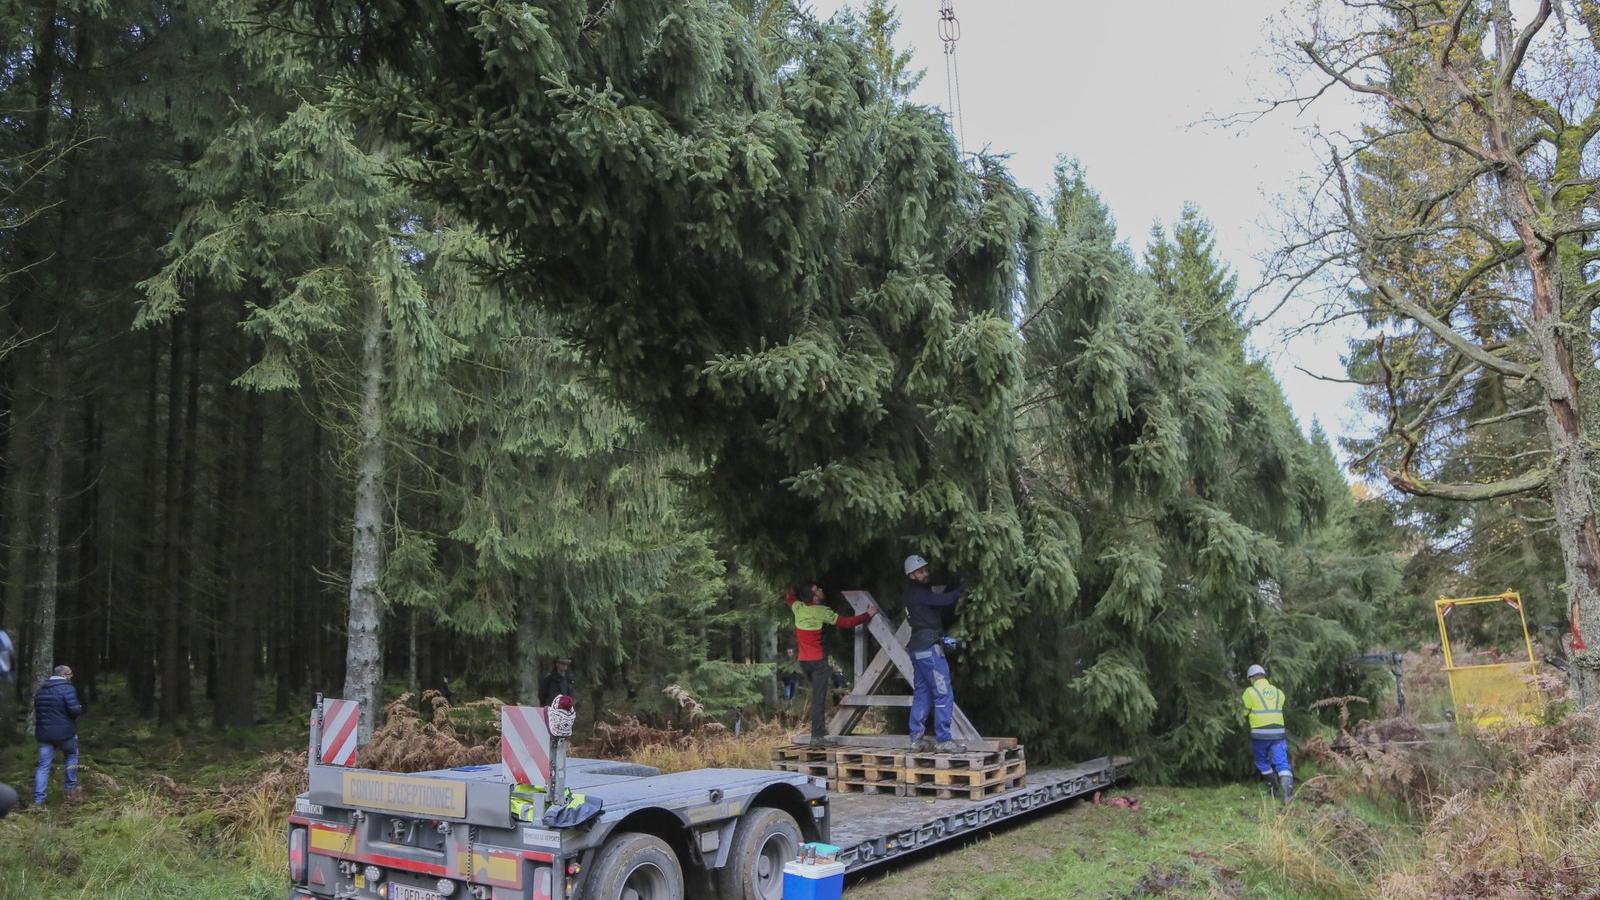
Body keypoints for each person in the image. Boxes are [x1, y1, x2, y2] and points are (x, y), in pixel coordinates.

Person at [786, 582, 877, 746]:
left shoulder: (798, 607)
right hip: (818, 663)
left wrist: (793, 585)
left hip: (804, 662)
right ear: (814, 597)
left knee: (817, 696)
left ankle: (819, 731)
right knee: (818, 699)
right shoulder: (822, 611)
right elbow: (846, 623)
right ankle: (817, 737)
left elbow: (790, 598)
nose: (821, 590)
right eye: (817, 590)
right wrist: (868, 614)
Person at [903, 553, 965, 753]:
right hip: (929, 650)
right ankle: (944, 739)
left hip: (917, 649)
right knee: (943, 693)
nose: (925, 573)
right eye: (921, 571)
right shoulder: (919, 592)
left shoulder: (914, 593)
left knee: (922, 694)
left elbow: (937, 610)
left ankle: (916, 739)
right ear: (911, 574)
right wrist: (960, 590)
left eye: (926, 570)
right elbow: (944, 601)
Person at [33, 664, 83, 808]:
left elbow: (38, 712)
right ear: (64, 675)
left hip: (44, 735)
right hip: (66, 733)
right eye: (70, 674)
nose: (72, 676)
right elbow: (74, 711)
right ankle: (70, 790)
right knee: (72, 757)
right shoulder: (67, 689)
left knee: (43, 766)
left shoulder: (41, 689)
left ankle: (38, 801)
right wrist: (79, 708)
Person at [1241, 663, 1292, 803]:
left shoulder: (1250, 692)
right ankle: (1287, 795)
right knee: (1282, 763)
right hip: (1278, 733)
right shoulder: (1278, 692)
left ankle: (1273, 788)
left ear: (1251, 679)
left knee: (1262, 761)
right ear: (1264, 676)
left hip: (1260, 734)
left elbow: (1243, 712)